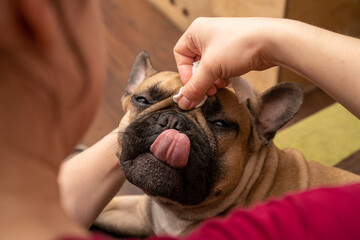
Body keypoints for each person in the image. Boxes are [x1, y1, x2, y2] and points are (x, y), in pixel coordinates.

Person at [0, 0, 359, 238]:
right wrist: (268, 39)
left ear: (263, 130)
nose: (173, 129)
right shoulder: (202, 203)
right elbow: (146, 214)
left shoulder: (268, 221)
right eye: (144, 101)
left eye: (219, 124)